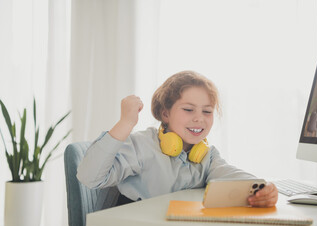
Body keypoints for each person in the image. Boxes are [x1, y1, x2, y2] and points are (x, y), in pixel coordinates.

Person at [77, 70, 278, 210]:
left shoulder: (207, 155)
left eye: (207, 111)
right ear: (165, 114)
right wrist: (125, 123)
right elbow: (89, 177)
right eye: (189, 109)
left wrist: (262, 188)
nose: (199, 117)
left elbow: (229, 174)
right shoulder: (141, 145)